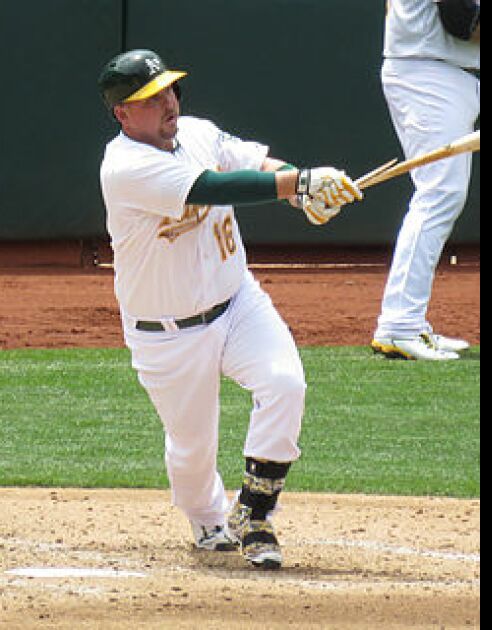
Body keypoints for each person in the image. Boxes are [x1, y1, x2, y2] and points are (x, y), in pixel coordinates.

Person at [97, 49, 362, 569]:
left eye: (169, 90)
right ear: (122, 113)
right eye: (150, 98)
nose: (168, 102)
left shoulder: (198, 132)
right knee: (192, 449)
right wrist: (301, 182)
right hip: (165, 331)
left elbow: (252, 165)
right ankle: (206, 518)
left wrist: (297, 189)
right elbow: (213, 187)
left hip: (237, 299)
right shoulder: (125, 167)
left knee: (286, 383)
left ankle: (256, 515)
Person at [370, 0, 480, 360]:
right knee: (440, 194)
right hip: (428, 72)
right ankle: (399, 326)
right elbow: (462, 19)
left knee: (443, 194)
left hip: (441, 68)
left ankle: (408, 324)